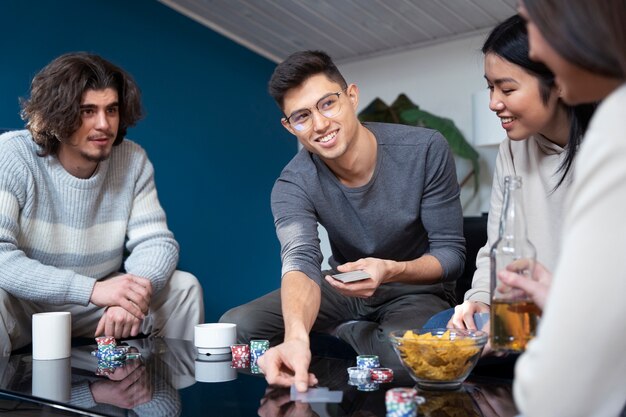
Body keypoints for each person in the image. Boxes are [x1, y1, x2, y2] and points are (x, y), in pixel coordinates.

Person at [220, 50, 466, 391]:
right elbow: (300, 260)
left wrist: (390, 269)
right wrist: (295, 338)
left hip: (415, 289)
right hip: (344, 285)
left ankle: (350, 331)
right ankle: (339, 331)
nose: (320, 124)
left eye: (327, 104)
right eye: (302, 116)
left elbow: (451, 256)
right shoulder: (293, 182)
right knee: (236, 327)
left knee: (405, 360)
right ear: (289, 126)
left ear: (351, 96)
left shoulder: (424, 149)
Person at [0, 52, 204, 356]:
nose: (104, 124)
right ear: (58, 114)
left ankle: (162, 398)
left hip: (99, 303)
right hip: (25, 306)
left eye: (111, 110)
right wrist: (93, 291)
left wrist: (131, 297)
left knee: (184, 287)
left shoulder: (132, 159)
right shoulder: (11, 156)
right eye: (87, 111)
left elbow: (157, 242)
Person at [423, 15, 594, 334]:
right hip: (525, 314)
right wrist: (480, 302)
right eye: (490, 87)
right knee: (439, 329)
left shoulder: (610, 145)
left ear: (557, 82)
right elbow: (497, 244)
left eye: (507, 88)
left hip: (585, 316)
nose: (493, 103)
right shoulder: (512, 150)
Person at [500, 1, 626, 416]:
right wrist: (560, 297)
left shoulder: (614, 126)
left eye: (533, 23)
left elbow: (558, 398)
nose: (535, 49)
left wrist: (564, 311)